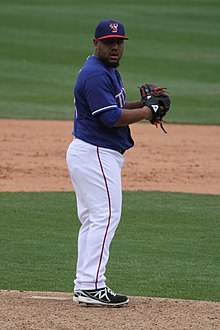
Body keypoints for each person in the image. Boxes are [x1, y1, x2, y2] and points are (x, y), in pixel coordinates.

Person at [66, 19, 154, 307]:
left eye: (119, 42)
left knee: (94, 220)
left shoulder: (106, 71)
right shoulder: (94, 75)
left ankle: (85, 284)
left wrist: (142, 108)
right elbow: (110, 118)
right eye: (108, 42)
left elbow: (115, 107)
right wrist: (145, 111)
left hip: (92, 153)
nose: (115, 47)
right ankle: (92, 286)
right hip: (96, 154)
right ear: (96, 44)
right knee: (104, 217)